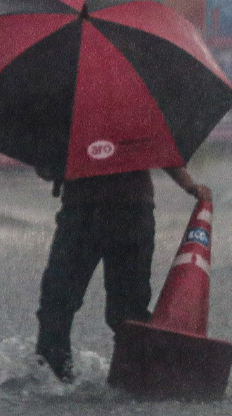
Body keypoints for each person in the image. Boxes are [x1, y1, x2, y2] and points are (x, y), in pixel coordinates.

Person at [33, 164, 210, 382]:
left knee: (119, 312)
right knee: (63, 306)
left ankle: (57, 379)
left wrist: (189, 185)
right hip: (104, 212)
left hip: (113, 212)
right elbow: (48, 166)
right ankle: (59, 374)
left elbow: (47, 167)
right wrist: (188, 184)